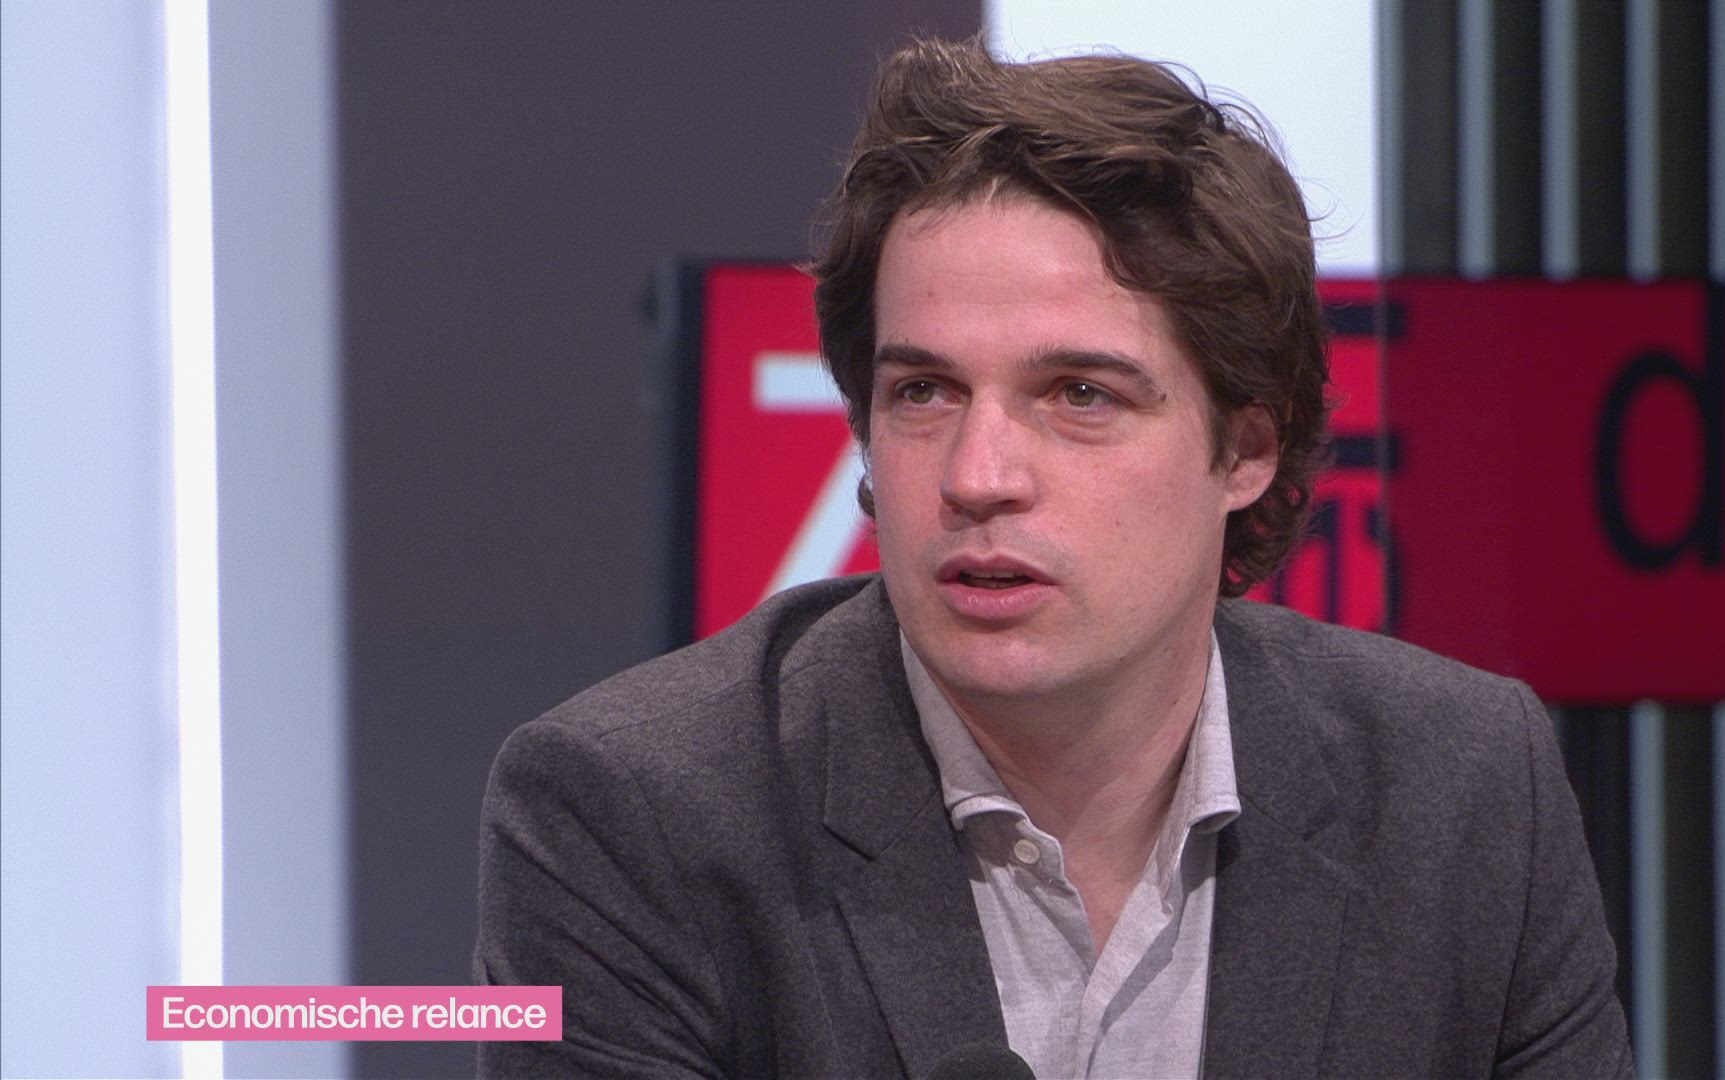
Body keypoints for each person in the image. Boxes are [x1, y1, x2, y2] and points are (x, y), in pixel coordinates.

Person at [475, 36, 1633, 1079]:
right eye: (924, 392)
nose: (978, 475)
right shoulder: (634, 811)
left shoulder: (1462, 788)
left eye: (1079, 394)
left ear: (1245, 449)